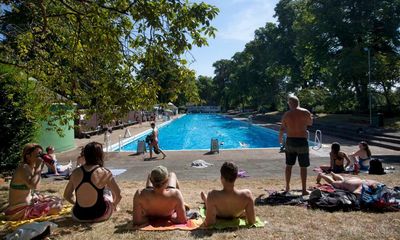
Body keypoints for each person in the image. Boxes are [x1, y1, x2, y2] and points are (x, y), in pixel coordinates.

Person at [64, 142, 122, 222]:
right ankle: (115, 208)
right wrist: (114, 205)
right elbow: (118, 195)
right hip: (100, 215)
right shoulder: (104, 172)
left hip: (78, 215)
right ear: (100, 155)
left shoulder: (75, 172)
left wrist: (76, 203)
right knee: (107, 191)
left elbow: (67, 195)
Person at [4, 143, 63, 220]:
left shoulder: (31, 167)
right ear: (28, 156)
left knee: (56, 199)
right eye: (38, 154)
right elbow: (33, 186)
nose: (40, 157)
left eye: (41, 154)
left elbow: (36, 187)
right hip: (19, 211)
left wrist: (41, 167)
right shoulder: (23, 167)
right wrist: (38, 168)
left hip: (28, 204)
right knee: (57, 206)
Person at [200, 162, 255, 226]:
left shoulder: (212, 195)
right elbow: (252, 221)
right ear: (236, 177)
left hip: (219, 214)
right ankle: (205, 199)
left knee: (209, 202)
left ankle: (205, 199)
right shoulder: (247, 195)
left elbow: (209, 223)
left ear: (221, 177)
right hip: (236, 214)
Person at [278, 95, 313, 195]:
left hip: (290, 141)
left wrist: (280, 140)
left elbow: (282, 129)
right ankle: (304, 190)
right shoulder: (306, 112)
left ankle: (287, 187)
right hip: (302, 141)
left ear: (290, 103)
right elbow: (310, 123)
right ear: (298, 103)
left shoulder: (286, 114)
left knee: (289, 165)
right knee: (303, 167)